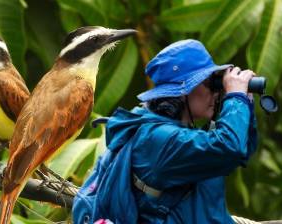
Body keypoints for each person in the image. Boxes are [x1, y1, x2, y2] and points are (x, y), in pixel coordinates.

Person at [73, 39, 257, 224]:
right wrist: (235, 97)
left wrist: (244, 103)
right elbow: (230, 148)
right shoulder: (158, 139)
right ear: (185, 89)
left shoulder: (173, 131)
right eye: (211, 83)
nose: (217, 93)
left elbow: (240, 151)